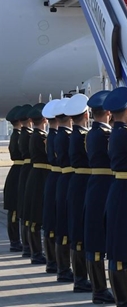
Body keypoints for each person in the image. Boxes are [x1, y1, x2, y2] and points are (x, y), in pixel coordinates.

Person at [103, 87, 127, 307]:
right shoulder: (126, 135)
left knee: (119, 247)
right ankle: (123, 299)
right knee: (118, 249)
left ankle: (123, 297)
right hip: (126, 191)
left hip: (123, 189)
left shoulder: (117, 132)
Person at [83, 90, 116, 304]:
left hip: (95, 185)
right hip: (105, 187)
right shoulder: (106, 134)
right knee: (98, 242)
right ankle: (100, 289)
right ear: (107, 112)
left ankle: (99, 287)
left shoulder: (92, 133)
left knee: (94, 240)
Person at [64, 94, 93, 293]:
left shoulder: (73, 135)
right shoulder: (83, 136)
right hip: (83, 183)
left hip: (77, 182)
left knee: (78, 232)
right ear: (85, 114)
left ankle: (80, 277)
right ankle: (81, 278)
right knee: (81, 233)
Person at [23, 103, 48, 265]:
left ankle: (35, 251)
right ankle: (37, 252)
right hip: (40, 176)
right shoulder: (40, 137)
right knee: (36, 217)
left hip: (36, 175)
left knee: (34, 217)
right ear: (44, 119)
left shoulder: (34, 136)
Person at [54, 98, 75, 283]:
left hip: (63, 179)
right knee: (68, 228)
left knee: (62, 227)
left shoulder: (57, 135)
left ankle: (63, 267)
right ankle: (64, 268)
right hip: (70, 179)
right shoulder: (67, 136)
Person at [41, 100, 61, 274]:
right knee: (59, 223)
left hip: (54, 177)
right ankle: (56, 263)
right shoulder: (62, 136)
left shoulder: (51, 136)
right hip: (62, 177)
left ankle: (53, 262)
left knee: (52, 222)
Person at [4, 106, 24, 252]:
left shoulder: (16, 135)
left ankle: (15, 240)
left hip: (16, 172)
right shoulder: (20, 136)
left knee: (14, 211)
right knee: (15, 211)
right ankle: (15, 241)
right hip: (18, 173)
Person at [16, 103, 34, 258]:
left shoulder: (24, 134)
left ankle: (27, 246)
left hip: (25, 171)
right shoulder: (29, 135)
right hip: (31, 171)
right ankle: (28, 247)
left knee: (26, 211)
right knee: (30, 212)